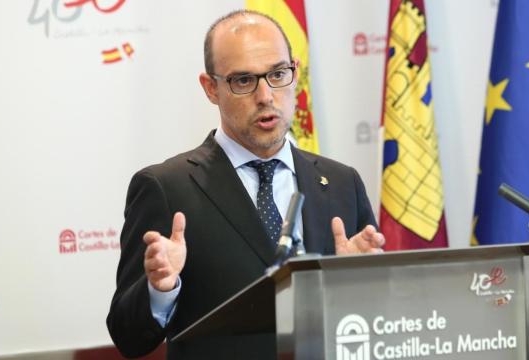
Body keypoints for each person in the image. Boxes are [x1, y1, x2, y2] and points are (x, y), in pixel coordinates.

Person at [106, 9, 385, 359]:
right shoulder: (165, 188)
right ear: (211, 88)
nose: (266, 96)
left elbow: (376, 323)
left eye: (278, 74)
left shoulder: (342, 182)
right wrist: (160, 288)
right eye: (243, 81)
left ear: (295, 72)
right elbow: (128, 337)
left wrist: (360, 281)